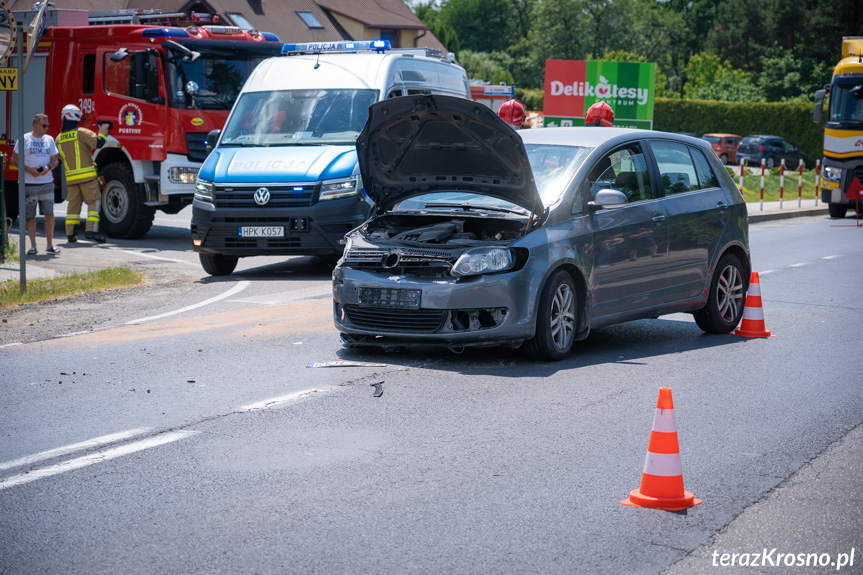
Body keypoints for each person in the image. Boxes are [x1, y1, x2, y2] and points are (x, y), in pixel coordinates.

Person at [55, 104, 109, 243]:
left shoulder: (58, 139)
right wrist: (103, 129)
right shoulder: (81, 133)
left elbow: (60, 159)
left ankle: (71, 234)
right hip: (87, 179)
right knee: (94, 203)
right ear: (76, 116)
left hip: (71, 180)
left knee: (73, 206)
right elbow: (99, 142)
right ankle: (91, 231)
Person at [11, 113, 60, 255]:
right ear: (35, 125)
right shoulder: (25, 139)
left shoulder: (49, 140)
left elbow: (55, 160)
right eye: (44, 125)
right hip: (29, 183)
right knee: (30, 216)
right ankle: (33, 246)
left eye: (48, 125)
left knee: (49, 214)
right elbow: (14, 160)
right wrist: (29, 170)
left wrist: (48, 168)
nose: (46, 128)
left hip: (47, 183)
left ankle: (50, 245)